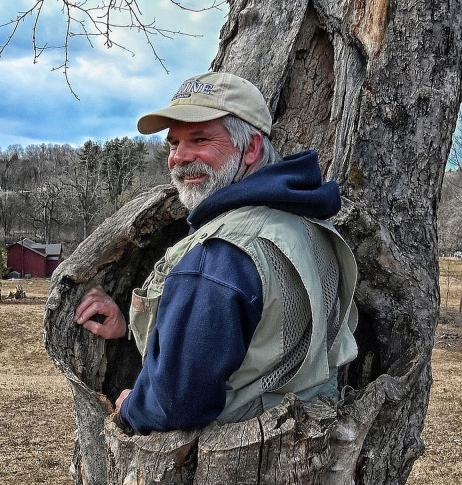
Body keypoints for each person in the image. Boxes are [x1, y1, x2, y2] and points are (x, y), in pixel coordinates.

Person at [74, 72, 358, 433]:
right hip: (306, 438)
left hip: (230, 466)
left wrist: (133, 406)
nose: (180, 157)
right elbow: (258, 338)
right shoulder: (303, 222)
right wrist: (132, 326)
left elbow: (176, 403)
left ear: (251, 148)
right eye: (174, 143)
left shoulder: (220, 256)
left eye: (201, 139)